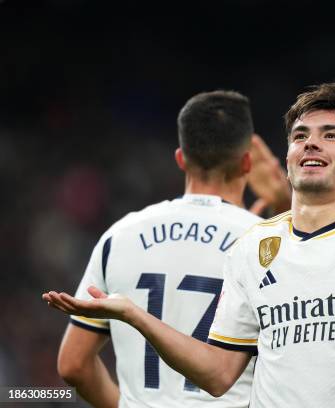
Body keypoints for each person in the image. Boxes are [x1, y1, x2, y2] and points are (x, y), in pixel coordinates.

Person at [44, 83, 335, 408]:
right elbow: (218, 374)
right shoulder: (254, 244)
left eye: (331, 135)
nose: (311, 141)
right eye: (300, 135)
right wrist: (135, 316)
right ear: (287, 158)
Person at [55, 90, 262, 407]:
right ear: (247, 161)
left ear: (180, 158)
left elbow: (73, 364)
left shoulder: (120, 236)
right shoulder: (264, 242)